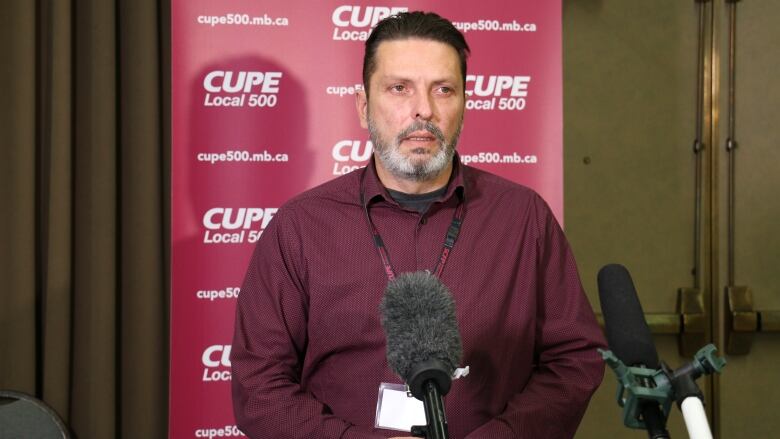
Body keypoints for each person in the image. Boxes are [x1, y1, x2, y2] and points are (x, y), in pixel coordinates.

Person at [231, 11, 605, 438]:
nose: (423, 110)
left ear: (463, 104)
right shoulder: (301, 226)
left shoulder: (524, 218)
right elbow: (258, 385)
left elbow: (574, 359)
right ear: (362, 106)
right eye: (399, 89)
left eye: (443, 90)